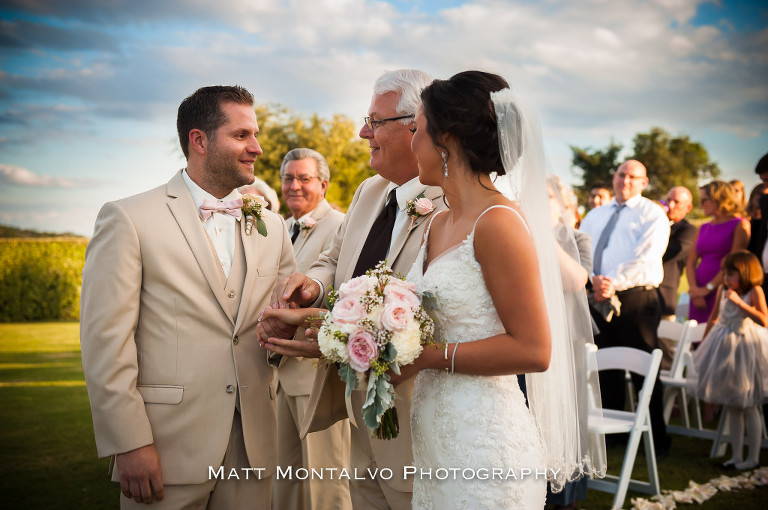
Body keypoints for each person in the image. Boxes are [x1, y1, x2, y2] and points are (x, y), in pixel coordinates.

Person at [79, 85, 297, 509]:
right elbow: (106, 342)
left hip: (253, 452)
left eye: (255, 134)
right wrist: (129, 442)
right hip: (165, 448)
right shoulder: (129, 218)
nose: (257, 147)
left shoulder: (271, 227)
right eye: (241, 136)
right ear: (199, 140)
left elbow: (278, 330)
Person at [396, 71, 603, 507]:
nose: (410, 141)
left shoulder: (499, 224)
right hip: (436, 441)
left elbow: (533, 350)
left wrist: (428, 357)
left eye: (416, 129)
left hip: (486, 446)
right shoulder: (438, 221)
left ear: (445, 140)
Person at [260, 69, 442, 510]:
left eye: (375, 122)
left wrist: (324, 329)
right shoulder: (369, 191)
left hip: (416, 413)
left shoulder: (451, 202)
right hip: (355, 402)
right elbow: (335, 260)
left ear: (415, 124)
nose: (364, 132)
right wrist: (313, 286)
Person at [274, 147, 350, 510]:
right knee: (285, 482)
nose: (294, 186)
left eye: (304, 178)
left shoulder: (340, 225)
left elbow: (344, 291)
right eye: (289, 178)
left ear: (323, 184)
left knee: (326, 483)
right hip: (278, 372)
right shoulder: (282, 227)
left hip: (317, 375)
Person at [579, 159, 672, 457]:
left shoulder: (652, 214)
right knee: (605, 367)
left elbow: (646, 257)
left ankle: (656, 437)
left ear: (644, 183)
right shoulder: (596, 214)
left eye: (633, 177)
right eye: (621, 175)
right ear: (614, 176)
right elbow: (583, 249)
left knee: (644, 366)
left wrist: (613, 282)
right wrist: (593, 279)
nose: (626, 181)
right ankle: (614, 434)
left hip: (636, 299)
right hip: (597, 295)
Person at [693, 250, 768, 470]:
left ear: (745, 274)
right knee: (733, 404)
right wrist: (704, 343)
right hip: (723, 348)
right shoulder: (722, 290)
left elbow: (764, 320)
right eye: (725, 273)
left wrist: (740, 304)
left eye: (732, 274)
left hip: (745, 349)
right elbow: (714, 317)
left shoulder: (754, 291)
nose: (727, 278)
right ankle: (736, 456)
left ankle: (753, 457)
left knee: (749, 405)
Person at [686, 181, 750, 324]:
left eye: (704, 200)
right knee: (696, 337)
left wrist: (707, 289)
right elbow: (690, 262)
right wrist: (694, 290)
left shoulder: (740, 224)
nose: (701, 205)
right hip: (698, 292)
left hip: (722, 290)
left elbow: (733, 263)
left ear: (719, 199)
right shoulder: (703, 228)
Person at [658, 186, 696, 320]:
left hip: (663, 296)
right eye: (668, 200)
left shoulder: (688, 230)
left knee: (664, 339)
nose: (670, 205)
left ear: (688, 207)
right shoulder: (655, 224)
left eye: (676, 202)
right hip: (639, 297)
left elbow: (669, 252)